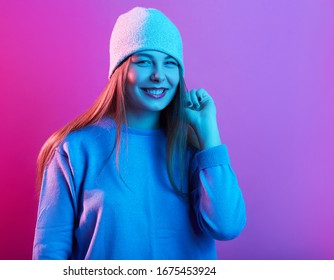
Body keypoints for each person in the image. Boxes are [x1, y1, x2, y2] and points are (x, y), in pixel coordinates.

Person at [32, 7, 246, 260]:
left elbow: (227, 227)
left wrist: (209, 134)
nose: (158, 75)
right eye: (144, 61)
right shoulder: (73, 151)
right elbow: (50, 253)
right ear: (120, 71)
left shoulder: (194, 152)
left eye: (170, 63)